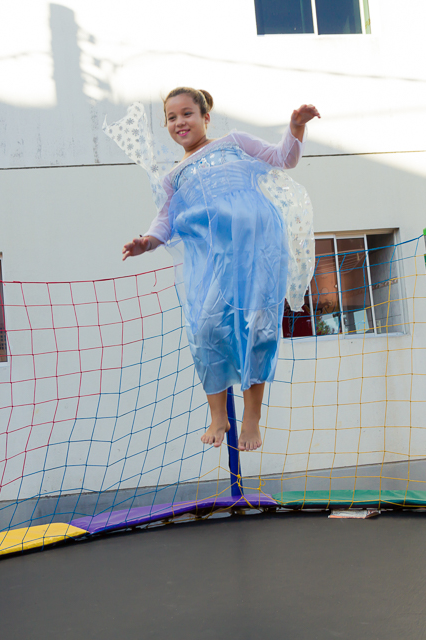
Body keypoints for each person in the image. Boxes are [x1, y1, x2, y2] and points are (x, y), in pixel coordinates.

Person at [120, 87, 319, 452]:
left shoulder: (235, 143)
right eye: (171, 117)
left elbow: (283, 158)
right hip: (213, 259)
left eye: (187, 114)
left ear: (205, 117)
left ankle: (252, 418)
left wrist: (295, 128)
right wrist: (146, 242)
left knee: (258, 325)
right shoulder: (174, 177)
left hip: (259, 247)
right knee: (204, 326)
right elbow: (165, 220)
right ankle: (218, 415)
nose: (180, 122)